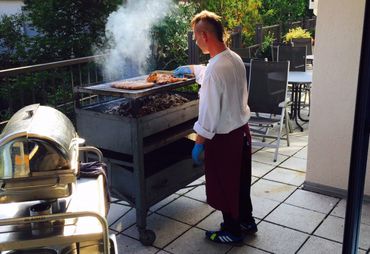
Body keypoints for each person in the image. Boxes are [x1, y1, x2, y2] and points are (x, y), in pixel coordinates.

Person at [174, 10, 257, 245]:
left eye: (195, 36)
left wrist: (198, 145)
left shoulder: (215, 70)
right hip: (241, 132)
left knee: (225, 184)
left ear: (204, 35)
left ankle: (232, 230)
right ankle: (246, 221)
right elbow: (211, 72)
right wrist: (191, 68)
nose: (194, 40)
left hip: (224, 139)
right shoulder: (233, 58)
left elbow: (208, 117)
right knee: (240, 181)